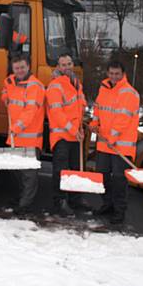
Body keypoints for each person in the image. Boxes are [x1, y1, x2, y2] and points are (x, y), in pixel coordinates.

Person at [89, 60, 140, 225]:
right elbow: (98, 109)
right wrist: (94, 124)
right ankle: (107, 204)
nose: (114, 77)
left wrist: (112, 138)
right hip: (105, 144)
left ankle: (119, 211)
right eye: (111, 73)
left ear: (123, 74)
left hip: (120, 146)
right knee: (102, 176)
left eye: (117, 74)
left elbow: (123, 119)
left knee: (119, 180)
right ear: (107, 73)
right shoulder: (104, 89)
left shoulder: (129, 93)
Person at [46, 53, 91, 216]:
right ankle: (60, 201)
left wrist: (82, 121)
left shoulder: (76, 83)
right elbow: (57, 114)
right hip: (62, 136)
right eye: (63, 64)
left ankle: (75, 199)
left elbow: (80, 103)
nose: (66, 67)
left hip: (75, 134)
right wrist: (73, 130)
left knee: (75, 168)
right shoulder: (55, 86)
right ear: (58, 67)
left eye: (69, 64)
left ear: (73, 65)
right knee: (61, 170)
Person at [2, 53, 45, 215]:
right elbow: (5, 89)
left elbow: (30, 111)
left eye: (22, 67)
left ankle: (25, 204)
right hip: (15, 137)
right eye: (16, 68)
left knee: (28, 174)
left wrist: (17, 127)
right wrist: (4, 96)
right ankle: (22, 197)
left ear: (28, 67)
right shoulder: (11, 81)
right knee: (17, 170)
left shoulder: (35, 86)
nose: (19, 70)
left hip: (29, 138)